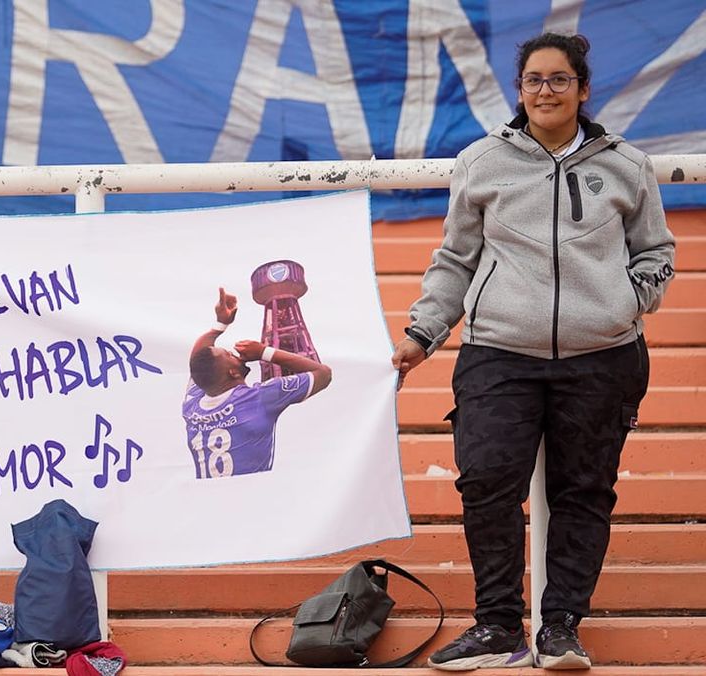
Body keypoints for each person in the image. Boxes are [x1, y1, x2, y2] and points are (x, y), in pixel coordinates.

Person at [392, 33, 675, 671]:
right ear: (519, 90)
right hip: (499, 351)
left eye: (558, 80)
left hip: (603, 356)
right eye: (533, 81)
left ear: (582, 88)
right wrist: (423, 333)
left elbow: (657, 253)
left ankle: (561, 629)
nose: (545, 91)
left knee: (584, 491)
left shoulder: (626, 164)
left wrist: (623, 302)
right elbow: (456, 258)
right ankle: (497, 626)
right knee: (487, 481)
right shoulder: (482, 161)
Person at [183, 287, 332, 479]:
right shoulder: (260, 397)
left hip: (206, 503)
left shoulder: (192, 404)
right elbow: (323, 373)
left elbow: (199, 358)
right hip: (251, 500)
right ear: (232, 372)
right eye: (229, 354)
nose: (234, 353)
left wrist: (220, 325)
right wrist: (263, 352)